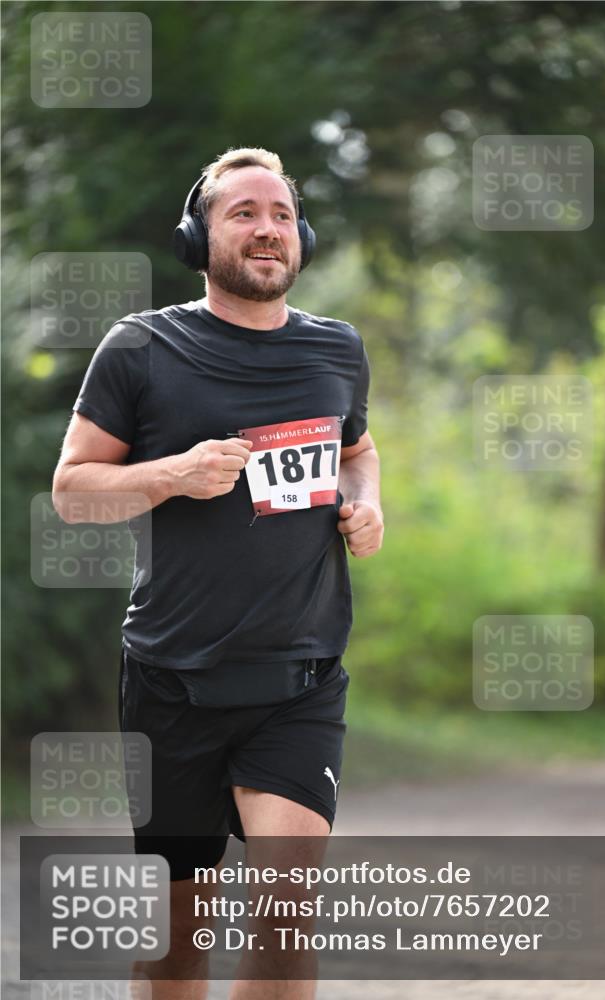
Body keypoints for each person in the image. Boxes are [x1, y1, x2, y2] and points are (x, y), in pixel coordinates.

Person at [52, 147, 383, 999]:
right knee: (177, 949)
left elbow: (358, 449)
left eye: (280, 214)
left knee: (284, 919)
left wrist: (365, 501)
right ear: (198, 237)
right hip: (173, 684)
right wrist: (170, 474)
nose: (267, 228)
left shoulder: (336, 350)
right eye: (244, 213)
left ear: (300, 235)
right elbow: (72, 492)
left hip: (299, 679)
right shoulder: (142, 348)